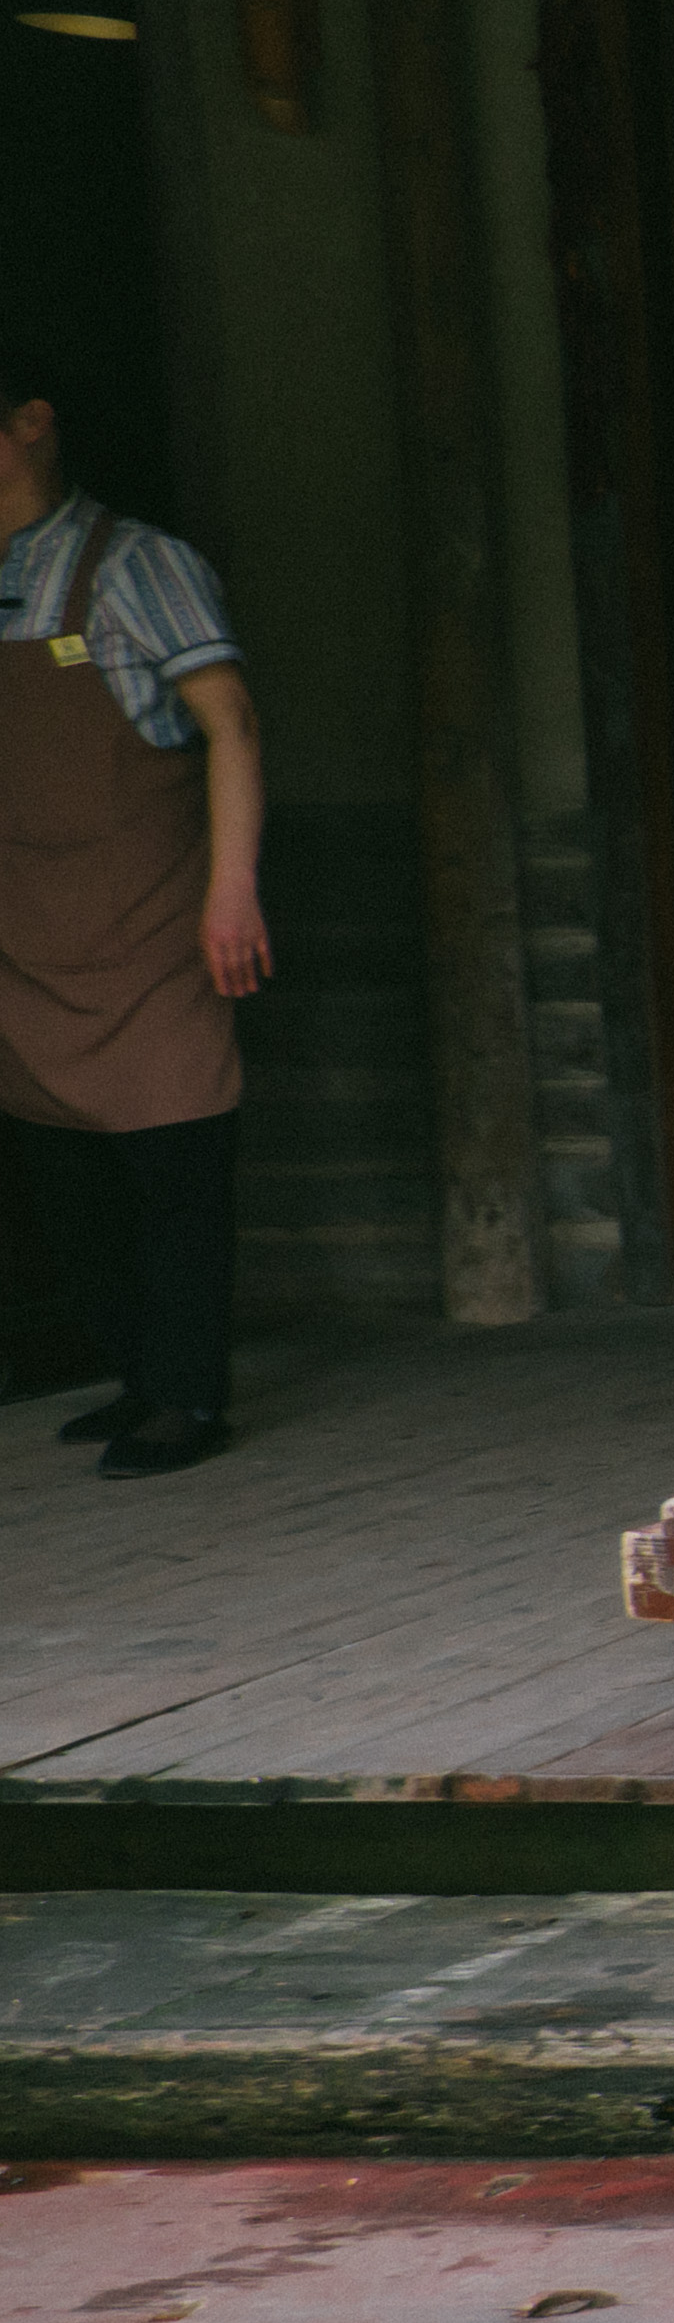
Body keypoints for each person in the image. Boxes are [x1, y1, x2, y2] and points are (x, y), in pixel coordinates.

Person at [0, 349, 265, 1480]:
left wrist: (233, 888)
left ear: (32, 425)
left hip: (152, 915)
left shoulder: (139, 564)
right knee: (63, 1172)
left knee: (172, 1164)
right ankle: (134, 1375)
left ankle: (188, 1397)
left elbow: (232, 723)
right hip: (24, 926)